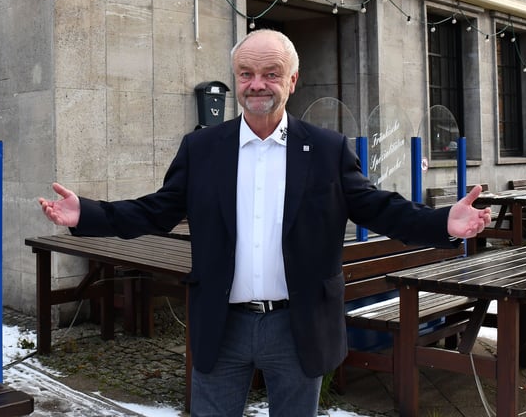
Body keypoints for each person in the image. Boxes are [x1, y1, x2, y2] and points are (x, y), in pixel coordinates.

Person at [39, 29, 491, 417]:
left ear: (292, 81)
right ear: (236, 79)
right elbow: (157, 210)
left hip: (297, 327)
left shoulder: (327, 149)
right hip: (222, 325)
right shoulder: (202, 148)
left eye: (271, 74)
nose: (257, 85)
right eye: (246, 74)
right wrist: (89, 214)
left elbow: (378, 207)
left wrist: (442, 222)